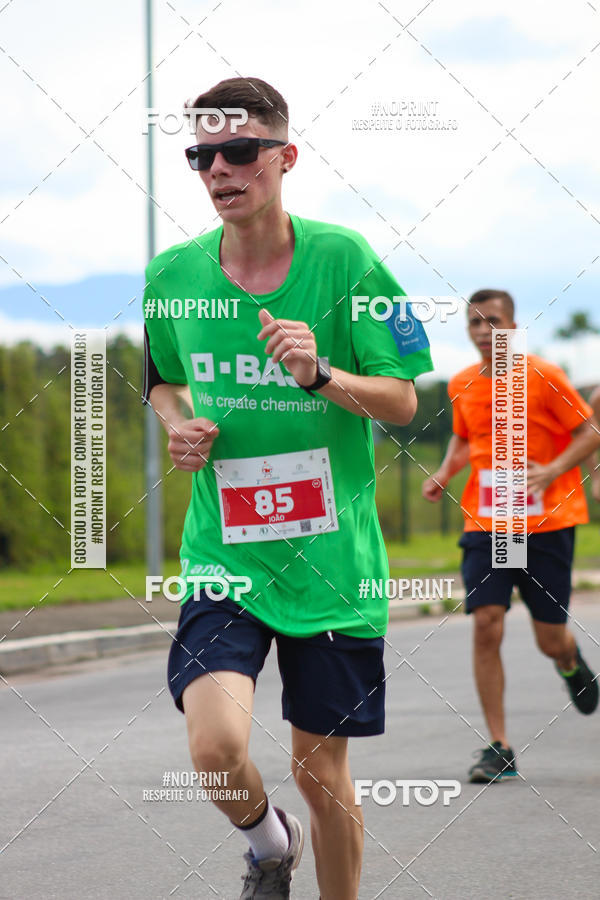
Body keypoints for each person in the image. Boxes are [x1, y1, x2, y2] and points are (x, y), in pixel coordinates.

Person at [142, 76, 433, 899]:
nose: (220, 169)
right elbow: (162, 381)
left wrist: (321, 374)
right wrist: (178, 423)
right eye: (202, 156)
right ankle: (271, 846)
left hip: (333, 564)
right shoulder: (173, 275)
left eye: (240, 151)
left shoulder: (345, 261)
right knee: (214, 749)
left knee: (318, 768)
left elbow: (403, 400)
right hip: (225, 552)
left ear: (286, 156)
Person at [422, 289, 600, 784]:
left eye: (494, 321)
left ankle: (569, 661)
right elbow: (465, 436)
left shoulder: (545, 376)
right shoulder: (461, 383)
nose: (484, 331)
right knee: (487, 622)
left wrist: (553, 470)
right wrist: (445, 471)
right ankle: (499, 747)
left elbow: (589, 431)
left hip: (546, 525)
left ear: (513, 327)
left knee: (550, 640)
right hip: (489, 522)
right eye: (475, 322)